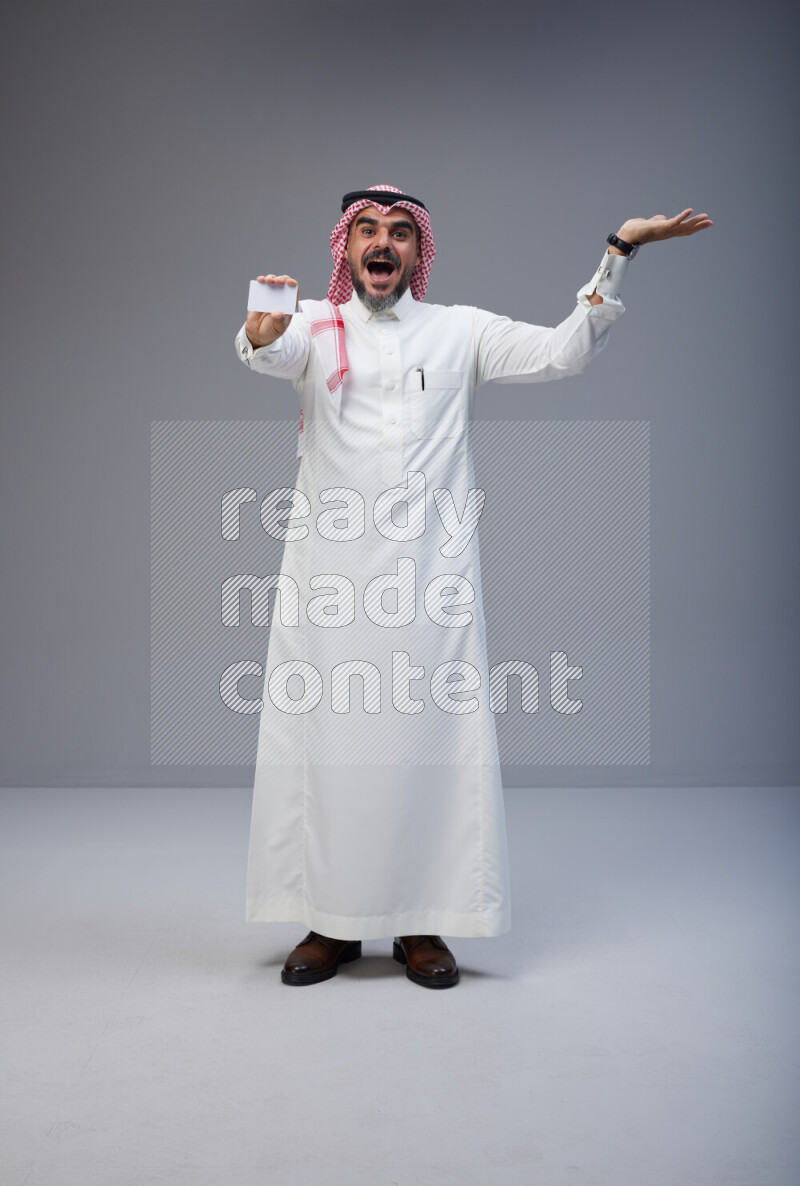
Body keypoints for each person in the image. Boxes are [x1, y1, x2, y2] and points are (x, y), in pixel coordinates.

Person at [234, 184, 712, 989]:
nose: (382, 245)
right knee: (331, 746)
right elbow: (270, 351)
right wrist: (258, 331)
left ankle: (422, 926)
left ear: (419, 253)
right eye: (367, 233)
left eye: (399, 234)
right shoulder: (314, 323)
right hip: (331, 582)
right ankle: (329, 921)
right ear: (345, 250)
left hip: (430, 581)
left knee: (427, 746)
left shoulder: (459, 331)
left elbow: (565, 351)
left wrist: (617, 253)